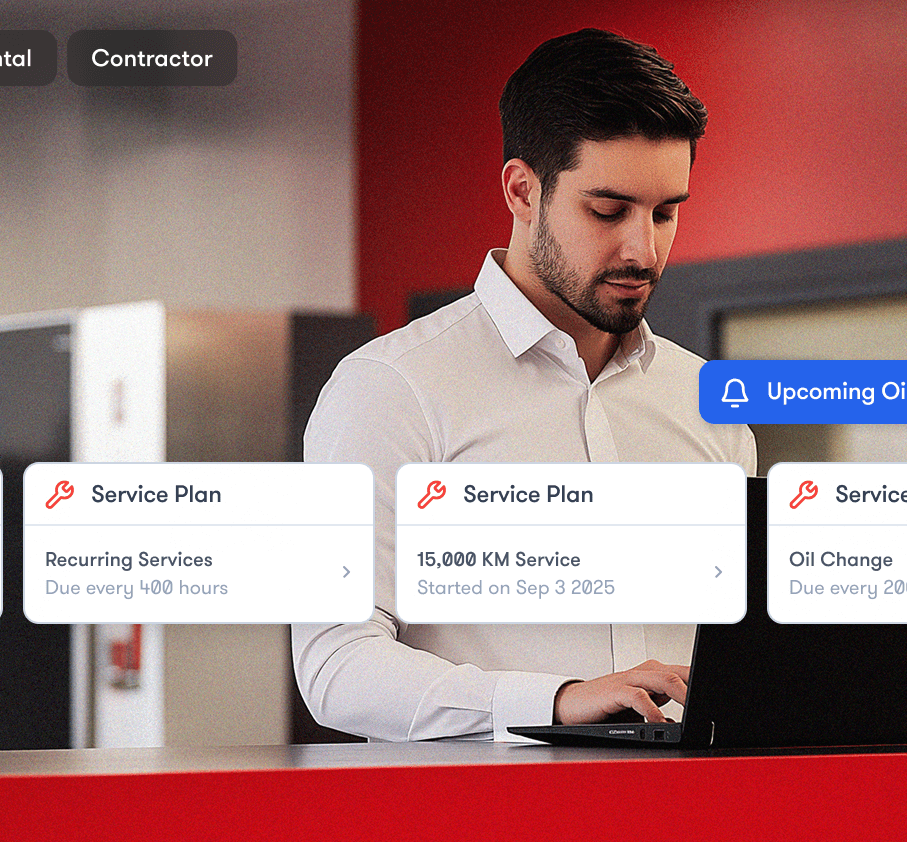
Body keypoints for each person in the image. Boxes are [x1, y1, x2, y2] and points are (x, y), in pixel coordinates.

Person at [293, 28, 756, 741]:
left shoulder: (711, 407)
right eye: (608, 211)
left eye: (666, 213)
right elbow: (335, 665)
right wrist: (555, 700)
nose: (644, 249)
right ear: (522, 191)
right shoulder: (389, 389)